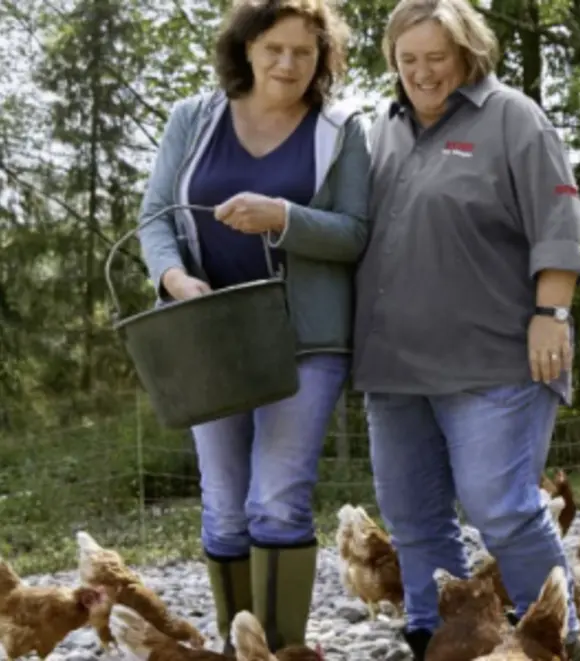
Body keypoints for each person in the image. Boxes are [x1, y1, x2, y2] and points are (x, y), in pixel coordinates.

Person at [352, 0, 580, 658]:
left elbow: (559, 220)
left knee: (503, 506)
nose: (423, 73)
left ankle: (560, 638)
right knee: (413, 517)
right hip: (395, 367)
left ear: (468, 55)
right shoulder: (384, 129)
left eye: (437, 58)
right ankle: (439, 638)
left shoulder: (512, 117)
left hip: (497, 360)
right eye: (408, 60)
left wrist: (552, 313)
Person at [133, 0, 370, 653]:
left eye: (304, 51)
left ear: (323, 57)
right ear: (245, 49)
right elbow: (155, 218)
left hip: (306, 341)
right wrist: (175, 280)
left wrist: (282, 217)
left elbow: (356, 233)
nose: (288, 64)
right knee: (225, 505)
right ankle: (239, 647)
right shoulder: (194, 119)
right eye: (274, 49)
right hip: (209, 337)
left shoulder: (340, 131)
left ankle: (282, 648)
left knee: (279, 499)